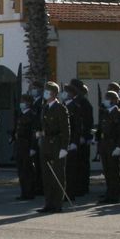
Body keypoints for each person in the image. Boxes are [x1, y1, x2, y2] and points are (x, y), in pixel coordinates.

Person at [37, 82, 70, 214]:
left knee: (58, 175)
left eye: (48, 91)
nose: (45, 93)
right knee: (47, 176)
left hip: (57, 145)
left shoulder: (60, 108)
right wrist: (40, 135)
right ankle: (48, 203)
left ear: (54, 94)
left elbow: (66, 130)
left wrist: (64, 147)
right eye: (45, 90)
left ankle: (57, 204)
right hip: (46, 145)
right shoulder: (45, 107)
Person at [96, 87, 120, 204]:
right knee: (107, 171)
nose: (105, 101)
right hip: (104, 145)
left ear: (114, 100)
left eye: (108, 99)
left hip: (113, 145)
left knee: (114, 171)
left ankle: (115, 195)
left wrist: (119, 147)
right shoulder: (105, 112)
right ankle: (109, 193)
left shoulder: (119, 113)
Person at [64, 80, 93, 199]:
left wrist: (84, 136)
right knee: (74, 165)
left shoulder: (82, 103)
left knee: (81, 164)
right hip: (74, 138)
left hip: (80, 138)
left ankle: (82, 187)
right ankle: (76, 187)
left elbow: (85, 121)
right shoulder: (70, 102)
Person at [12, 93, 40, 200]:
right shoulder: (21, 115)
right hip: (20, 145)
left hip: (27, 145)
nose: (21, 103)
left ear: (28, 103)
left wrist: (33, 147)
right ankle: (24, 192)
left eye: (23, 101)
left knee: (27, 170)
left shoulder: (32, 115)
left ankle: (29, 192)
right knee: (21, 170)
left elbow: (34, 133)